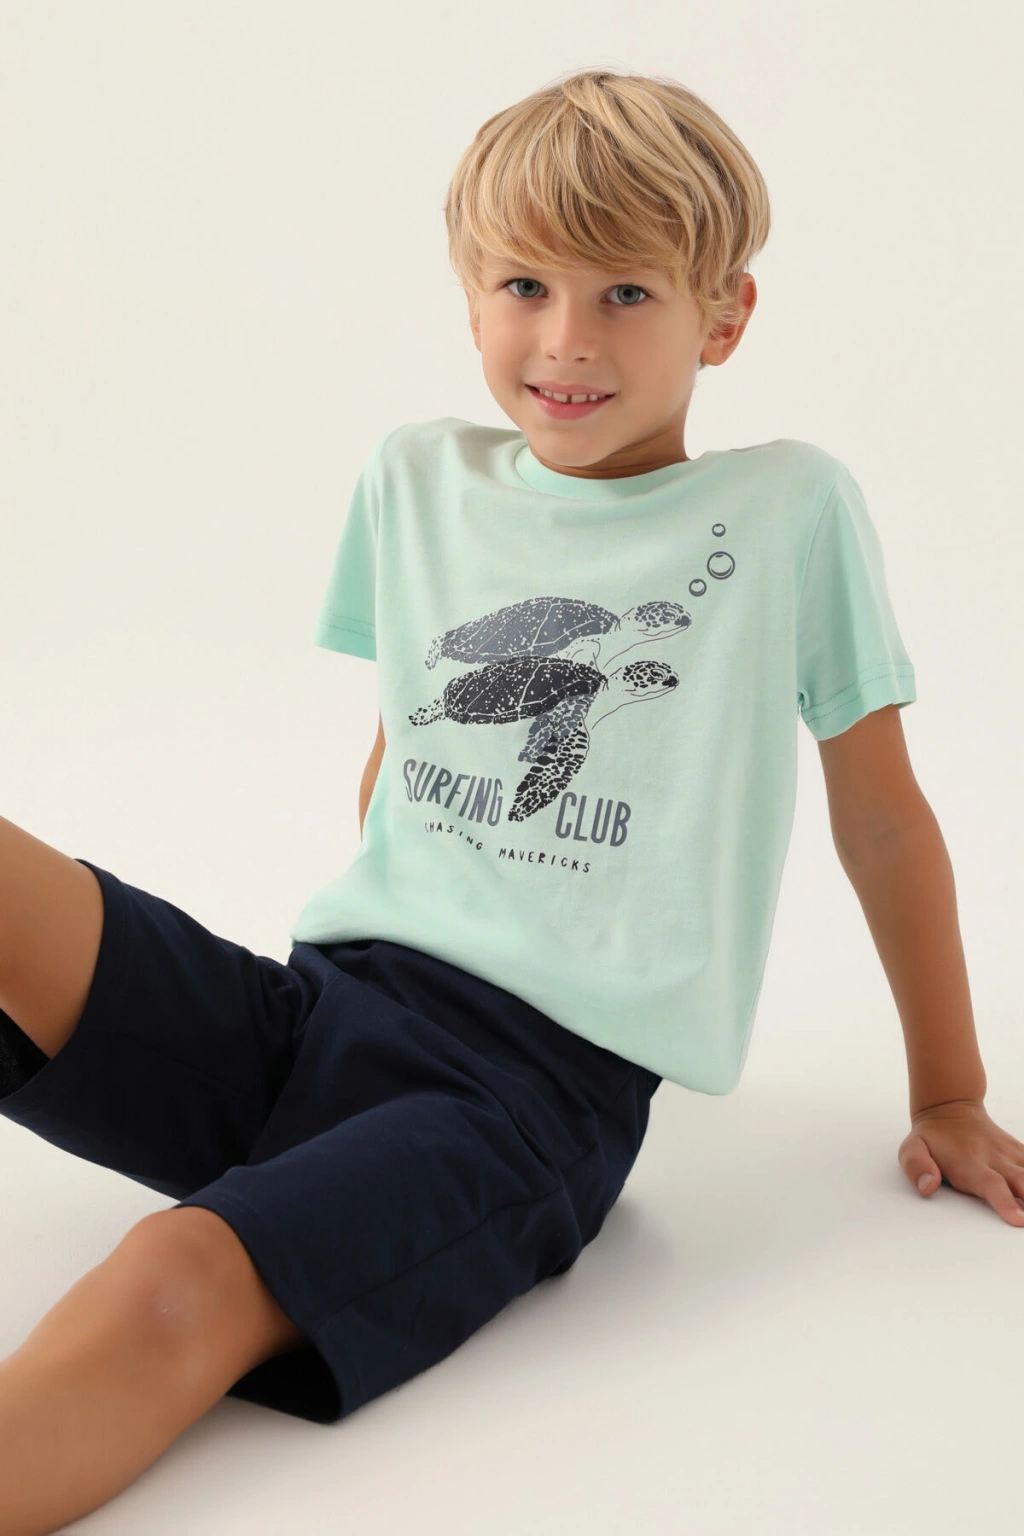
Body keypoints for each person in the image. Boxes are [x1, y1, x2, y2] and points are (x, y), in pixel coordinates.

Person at [2, 64, 1022, 1536]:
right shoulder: (416, 478)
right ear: (470, 293)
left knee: (173, 1273)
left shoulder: (786, 513)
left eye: (626, 294)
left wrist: (950, 1094)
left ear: (725, 314)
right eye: (525, 285)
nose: (565, 340)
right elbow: (404, 755)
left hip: (525, 1100)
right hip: (321, 1012)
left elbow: (881, 819)